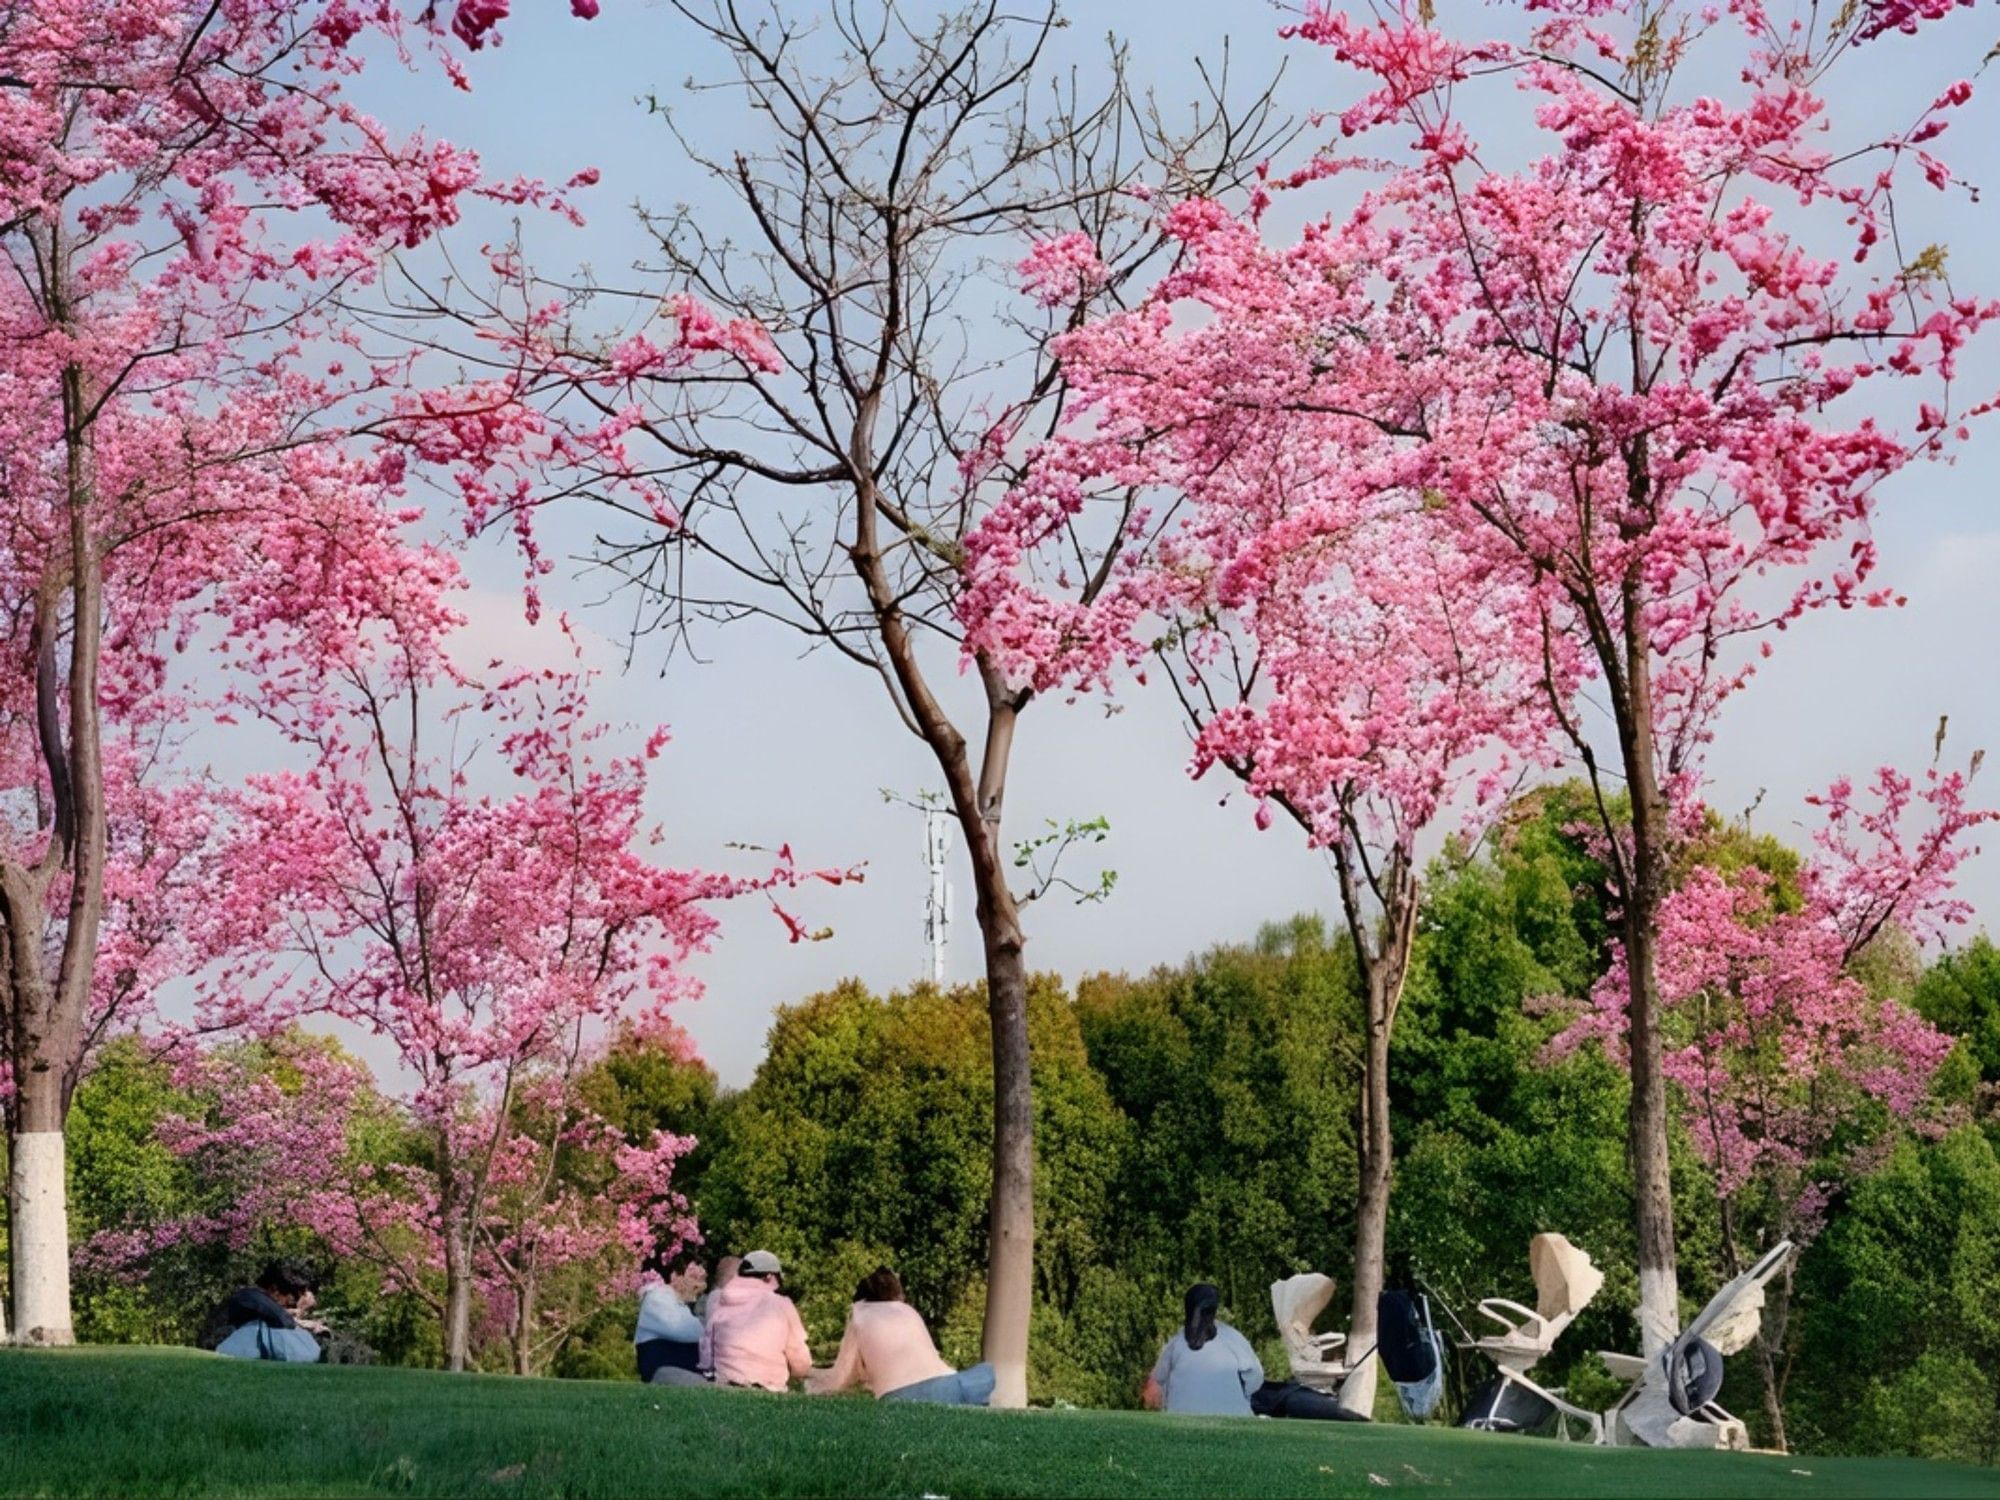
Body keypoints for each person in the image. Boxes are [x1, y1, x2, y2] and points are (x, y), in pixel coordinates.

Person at [809, 1267, 995, 1406]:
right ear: (896, 1293)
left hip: (898, 1396)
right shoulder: (907, 1311)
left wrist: (810, 1380)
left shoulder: (858, 1316)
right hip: (947, 1387)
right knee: (986, 1372)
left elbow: (841, 1377)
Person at [1144, 1283, 1263, 1417]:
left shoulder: (1176, 1343)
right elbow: (1256, 1377)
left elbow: (1158, 1379)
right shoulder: (1233, 1337)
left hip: (1181, 1421)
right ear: (1214, 1310)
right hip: (1234, 1417)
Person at [699, 1249, 811, 1392]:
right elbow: (798, 1354)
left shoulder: (721, 1300)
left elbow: (707, 1345)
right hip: (768, 1386)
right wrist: (800, 1373)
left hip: (725, 1384)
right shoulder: (780, 1303)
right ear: (769, 1276)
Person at [206, 1260, 324, 1364]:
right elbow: (284, 1320)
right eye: (291, 1302)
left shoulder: (254, 1301)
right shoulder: (249, 1295)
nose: (291, 1307)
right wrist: (299, 1316)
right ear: (274, 1290)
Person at [633, 1255, 708, 1386]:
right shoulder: (658, 1297)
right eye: (693, 1279)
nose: (696, 1287)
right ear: (674, 1276)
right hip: (663, 1372)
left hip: (682, 1372)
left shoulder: (680, 1305)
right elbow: (682, 1329)